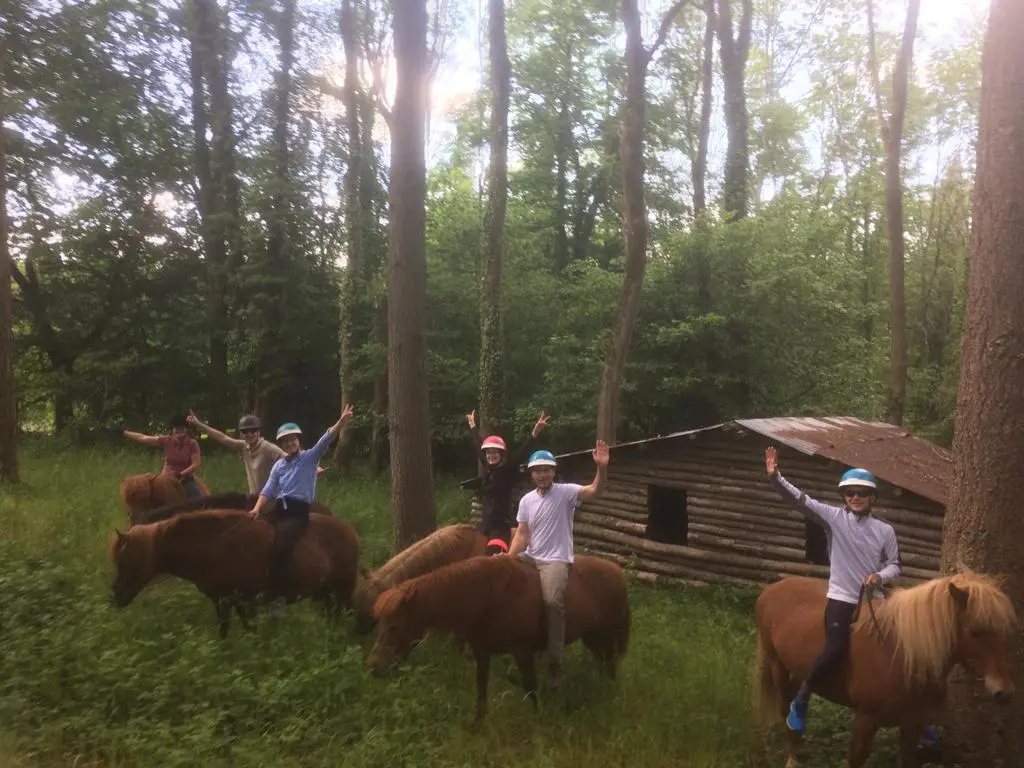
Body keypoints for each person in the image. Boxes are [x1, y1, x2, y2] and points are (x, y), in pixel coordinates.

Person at [765, 446, 903, 733]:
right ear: (844, 496)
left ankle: (911, 708)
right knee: (836, 647)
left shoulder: (885, 530)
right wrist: (775, 477)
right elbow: (801, 501)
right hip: (842, 598)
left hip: (875, 600)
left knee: (903, 647)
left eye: (861, 493)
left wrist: (880, 576)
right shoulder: (833, 518)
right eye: (850, 493)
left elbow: (895, 565)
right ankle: (802, 699)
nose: (855, 497)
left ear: (872, 498)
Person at [504, 440, 610, 689]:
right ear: (531, 474)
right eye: (537, 470)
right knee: (501, 584)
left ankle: (555, 665)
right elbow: (521, 534)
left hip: (555, 560)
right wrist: (508, 559)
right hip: (530, 556)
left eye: (546, 469)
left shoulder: (565, 492)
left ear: (554, 471)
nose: (542, 474)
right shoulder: (526, 500)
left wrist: (602, 469)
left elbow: (594, 490)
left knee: (552, 602)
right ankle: (515, 648)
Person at [247, 405, 353, 614]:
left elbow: (326, 440)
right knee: (258, 538)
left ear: (298, 440)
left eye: (293, 440)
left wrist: (341, 422)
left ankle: (279, 595)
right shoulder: (279, 466)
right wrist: (257, 509)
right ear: (282, 445)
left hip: (298, 512)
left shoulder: (308, 458)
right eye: (285, 442)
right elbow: (268, 489)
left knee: (280, 546)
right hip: (279, 508)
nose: (290, 443)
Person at [465, 408, 550, 554]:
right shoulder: (487, 468)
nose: (491, 456)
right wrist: (473, 425)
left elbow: (523, 451)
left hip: (501, 525)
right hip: (485, 524)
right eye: (489, 453)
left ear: (501, 454)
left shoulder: (507, 469)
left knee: (494, 553)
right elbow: (478, 447)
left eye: (495, 453)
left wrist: (535, 432)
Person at [187, 410, 286, 495]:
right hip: (255, 499)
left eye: (253, 431)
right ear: (241, 434)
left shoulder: (267, 447)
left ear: (258, 432)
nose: (249, 434)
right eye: (245, 432)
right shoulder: (245, 446)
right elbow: (223, 438)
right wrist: (199, 424)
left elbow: (291, 460)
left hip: (272, 499)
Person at [123, 415, 203, 500]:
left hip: (184, 479)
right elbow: (143, 437)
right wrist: (124, 433)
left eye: (182, 429)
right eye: (177, 429)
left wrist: (181, 474)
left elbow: (195, 464)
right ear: (173, 430)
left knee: (198, 500)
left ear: (186, 430)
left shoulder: (192, 444)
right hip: (166, 479)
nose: (179, 433)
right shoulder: (166, 441)